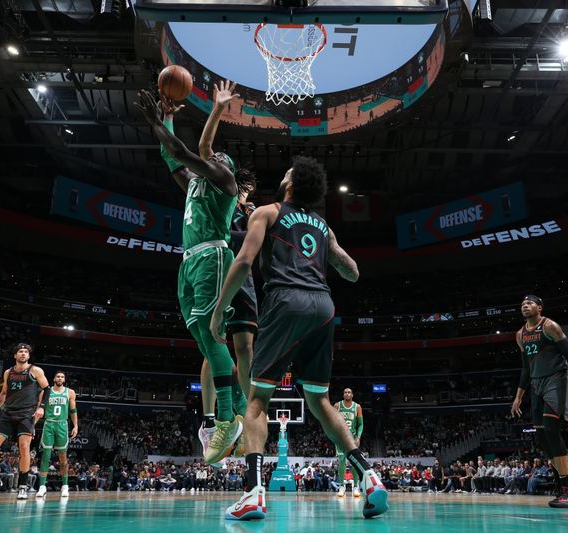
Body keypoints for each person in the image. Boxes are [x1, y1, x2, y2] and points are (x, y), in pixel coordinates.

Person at [210, 156, 388, 521]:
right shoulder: (322, 225)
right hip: (323, 306)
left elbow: (243, 261)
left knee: (257, 399)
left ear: (291, 184)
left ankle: (254, 493)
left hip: (285, 301)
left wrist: (219, 310)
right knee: (321, 402)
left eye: (287, 172)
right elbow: (352, 271)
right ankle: (369, 476)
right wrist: (326, 258)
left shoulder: (268, 212)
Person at [134, 81, 255, 464]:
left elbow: (184, 151)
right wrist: (167, 119)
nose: (214, 157)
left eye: (219, 156)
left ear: (224, 168)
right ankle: (235, 407)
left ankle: (224, 419)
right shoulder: (193, 185)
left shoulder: (224, 182)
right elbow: (172, 158)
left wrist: (160, 122)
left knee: (212, 335)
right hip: (188, 261)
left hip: (212, 258)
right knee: (203, 341)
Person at [196, 83, 259, 460]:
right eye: (243, 187)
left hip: (243, 279)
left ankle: (247, 412)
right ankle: (210, 421)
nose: (245, 192)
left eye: (249, 188)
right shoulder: (216, 199)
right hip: (217, 273)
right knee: (213, 347)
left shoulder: (253, 215)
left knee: (244, 347)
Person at [511, 295, 568, 508]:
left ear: (539, 307)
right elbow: (526, 369)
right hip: (536, 384)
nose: (525, 305)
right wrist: (519, 396)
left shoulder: (550, 326)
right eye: (522, 304)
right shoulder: (520, 335)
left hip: (557, 378)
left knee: (551, 429)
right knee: (542, 437)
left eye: (529, 303)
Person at [0, 343, 49, 499]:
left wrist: (41, 407)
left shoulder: (35, 370)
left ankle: (22, 486)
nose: (23, 354)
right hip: (8, 413)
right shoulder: (8, 372)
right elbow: (3, 392)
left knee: (24, 447)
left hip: (26, 414)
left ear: (28, 356)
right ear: (15, 355)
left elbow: (47, 389)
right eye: (20, 351)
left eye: (26, 352)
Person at [36, 371, 78, 499]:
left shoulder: (70, 392)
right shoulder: (45, 392)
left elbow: (73, 410)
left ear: (64, 380)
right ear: (54, 378)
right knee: (46, 456)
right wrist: (32, 426)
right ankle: (42, 486)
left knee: (63, 457)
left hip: (62, 425)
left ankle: (65, 486)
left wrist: (75, 425)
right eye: (58, 376)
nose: (60, 378)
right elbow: (38, 409)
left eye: (62, 377)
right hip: (49, 424)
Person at [335, 387, 364, 498]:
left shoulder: (357, 407)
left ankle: (356, 486)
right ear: (343, 395)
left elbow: (360, 424)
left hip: (352, 437)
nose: (347, 394)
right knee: (341, 460)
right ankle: (342, 486)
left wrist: (358, 437)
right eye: (345, 392)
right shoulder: (337, 406)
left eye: (349, 392)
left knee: (354, 461)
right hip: (340, 437)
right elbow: (332, 421)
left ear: (352, 395)